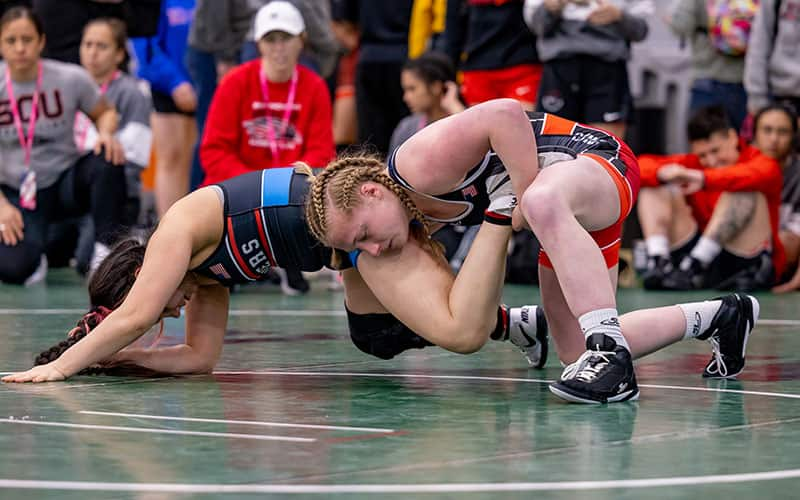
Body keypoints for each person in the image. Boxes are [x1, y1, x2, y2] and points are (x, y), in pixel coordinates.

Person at [305, 98, 761, 404]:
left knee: (540, 200)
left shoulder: (415, 163)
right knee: (571, 350)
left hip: (596, 162)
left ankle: (611, 360)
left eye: (364, 232)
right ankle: (720, 315)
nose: (371, 248)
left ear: (371, 191)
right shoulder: (413, 217)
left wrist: (522, 191)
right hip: (568, 207)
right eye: (356, 247)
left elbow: (504, 113)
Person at [1, 165, 548, 383]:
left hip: (361, 232)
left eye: (166, 302)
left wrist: (63, 368)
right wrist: (116, 359)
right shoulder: (207, 277)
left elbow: (135, 313)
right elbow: (198, 360)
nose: (172, 310)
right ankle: (518, 323)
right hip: (347, 254)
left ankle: (499, 207)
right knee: (375, 340)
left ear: (146, 273)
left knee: (458, 332)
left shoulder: (176, 231)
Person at [0, 6, 126, 285]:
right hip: (15, 193)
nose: (20, 48)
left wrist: (105, 134)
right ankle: (38, 252)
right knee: (15, 269)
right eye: (11, 41)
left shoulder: (70, 78)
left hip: (63, 183)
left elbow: (105, 112)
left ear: (41, 41)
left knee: (108, 160)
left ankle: (106, 253)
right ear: (1, 44)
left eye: (27, 39)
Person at [636, 105, 783, 292]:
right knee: (655, 182)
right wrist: (661, 174)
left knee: (743, 188)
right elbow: (638, 167)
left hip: (741, 256)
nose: (711, 161)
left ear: (732, 137)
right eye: (703, 155)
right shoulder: (692, 163)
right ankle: (658, 261)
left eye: (715, 151)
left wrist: (703, 178)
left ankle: (695, 264)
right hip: (691, 258)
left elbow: (760, 174)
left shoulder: (760, 161)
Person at [199, 1, 335, 185]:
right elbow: (214, 151)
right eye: (270, 39)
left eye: (286, 37)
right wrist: (257, 184)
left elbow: (321, 153)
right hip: (239, 188)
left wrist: (286, 184)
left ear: (301, 40)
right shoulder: (234, 82)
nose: (279, 47)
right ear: (258, 44)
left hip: (292, 190)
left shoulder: (315, 86)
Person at [524, 0, 653, 138]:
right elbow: (535, 26)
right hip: (559, 67)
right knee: (551, 141)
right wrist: (552, 7)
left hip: (607, 68)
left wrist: (618, 15)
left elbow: (641, 31)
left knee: (606, 143)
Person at [131, 0, 197, 217]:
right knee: (171, 158)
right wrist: (174, 82)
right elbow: (145, 45)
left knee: (194, 158)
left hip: (204, 84)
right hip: (167, 84)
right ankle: (168, 226)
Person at [749, 103, 800, 293]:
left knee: (787, 241)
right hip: (741, 247)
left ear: (794, 136)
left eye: (783, 132)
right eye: (767, 130)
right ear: (754, 133)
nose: (774, 139)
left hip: (781, 253)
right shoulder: (739, 165)